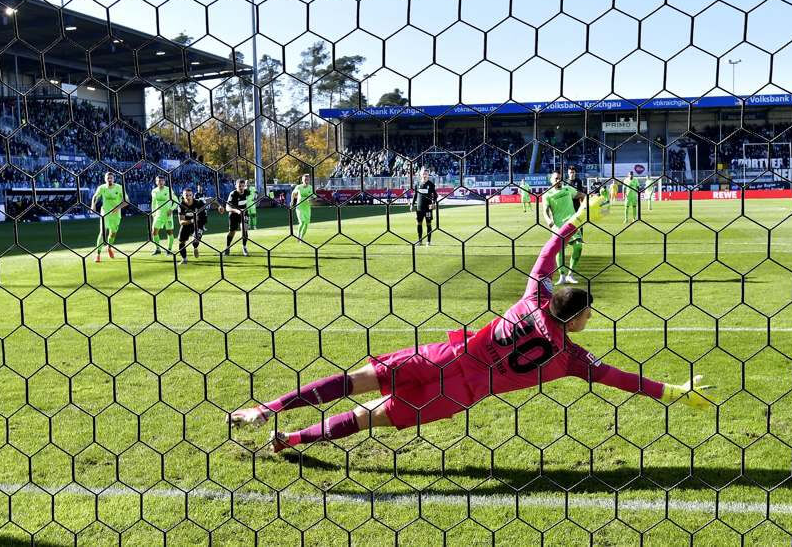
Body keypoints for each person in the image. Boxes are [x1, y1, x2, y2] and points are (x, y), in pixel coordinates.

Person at [229, 196, 713, 452]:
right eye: (589, 311)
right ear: (576, 316)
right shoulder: (571, 358)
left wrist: (575, 222)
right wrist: (673, 390)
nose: (592, 315)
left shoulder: (530, 300)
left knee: (355, 382)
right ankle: (290, 440)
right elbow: (624, 380)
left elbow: (545, 254)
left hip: (444, 357)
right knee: (369, 418)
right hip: (462, 392)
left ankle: (269, 410)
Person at [543, 171, 585, 285]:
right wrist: (548, 221)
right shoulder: (547, 194)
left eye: (560, 179)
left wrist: (583, 208)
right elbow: (545, 210)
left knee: (578, 247)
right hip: (558, 226)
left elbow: (581, 195)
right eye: (556, 179)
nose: (558, 181)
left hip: (572, 224)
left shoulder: (567, 189)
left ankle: (570, 274)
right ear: (551, 180)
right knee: (559, 250)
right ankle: (562, 276)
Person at [90, 172, 126, 263]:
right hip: (105, 213)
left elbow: (126, 201)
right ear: (105, 179)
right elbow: (95, 196)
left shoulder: (119, 187)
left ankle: (109, 247)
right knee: (102, 232)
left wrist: (118, 207)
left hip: (116, 215)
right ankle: (98, 254)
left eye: (111, 178)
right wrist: (93, 205)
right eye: (108, 178)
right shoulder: (102, 187)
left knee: (113, 233)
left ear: (114, 179)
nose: (109, 179)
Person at [150, 175, 178, 256]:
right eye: (159, 180)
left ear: (164, 182)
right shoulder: (154, 191)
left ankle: (169, 249)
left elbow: (176, 201)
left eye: (162, 180)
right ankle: (158, 249)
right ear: (156, 182)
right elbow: (153, 202)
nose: (160, 182)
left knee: (169, 232)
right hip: (158, 215)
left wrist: (171, 209)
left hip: (168, 215)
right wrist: (153, 213)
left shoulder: (168, 190)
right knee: (154, 232)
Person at [175, 188, 205, 264]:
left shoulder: (198, 203)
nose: (188, 197)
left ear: (192, 196)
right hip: (186, 224)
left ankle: (195, 247)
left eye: (190, 195)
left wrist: (219, 206)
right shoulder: (181, 205)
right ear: (183, 196)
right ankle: (184, 259)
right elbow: (181, 221)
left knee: (195, 240)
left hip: (197, 224)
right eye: (186, 195)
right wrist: (191, 221)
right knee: (181, 242)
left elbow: (211, 200)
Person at [224, 179, 250, 257]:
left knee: (244, 229)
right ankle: (228, 247)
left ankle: (244, 247)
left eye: (243, 186)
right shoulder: (232, 194)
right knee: (232, 232)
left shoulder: (246, 191)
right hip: (234, 214)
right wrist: (236, 211)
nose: (241, 188)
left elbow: (254, 195)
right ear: (236, 186)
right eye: (239, 186)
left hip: (244, 214)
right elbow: (227, 208)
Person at [412, 168, 437, 246]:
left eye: (426, 174)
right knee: (419, 223)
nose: (424, 175)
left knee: (428, 224)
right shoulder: (417, 184)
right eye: (423, 174)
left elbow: (435, 195)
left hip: (428, 207)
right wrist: (412, 204)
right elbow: (415, 195)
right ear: (420, 175)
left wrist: (433, 203)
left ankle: (428, 241)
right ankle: (420, 241)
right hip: (419, 207)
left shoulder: (431, 184)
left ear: (428, 175)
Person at [291, 174, 315, 241]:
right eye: (305, 179)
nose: (306, 180)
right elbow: (293, 193)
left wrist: (311, 200)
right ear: (302, 180)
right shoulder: (299, 187)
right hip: (299, 207)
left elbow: (314, 197)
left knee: (306, 224)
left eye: (307, 179)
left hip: (307, 208)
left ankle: (301, 238)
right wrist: (292, 201)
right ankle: (298, 237)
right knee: (302, 222)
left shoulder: (311, 187)